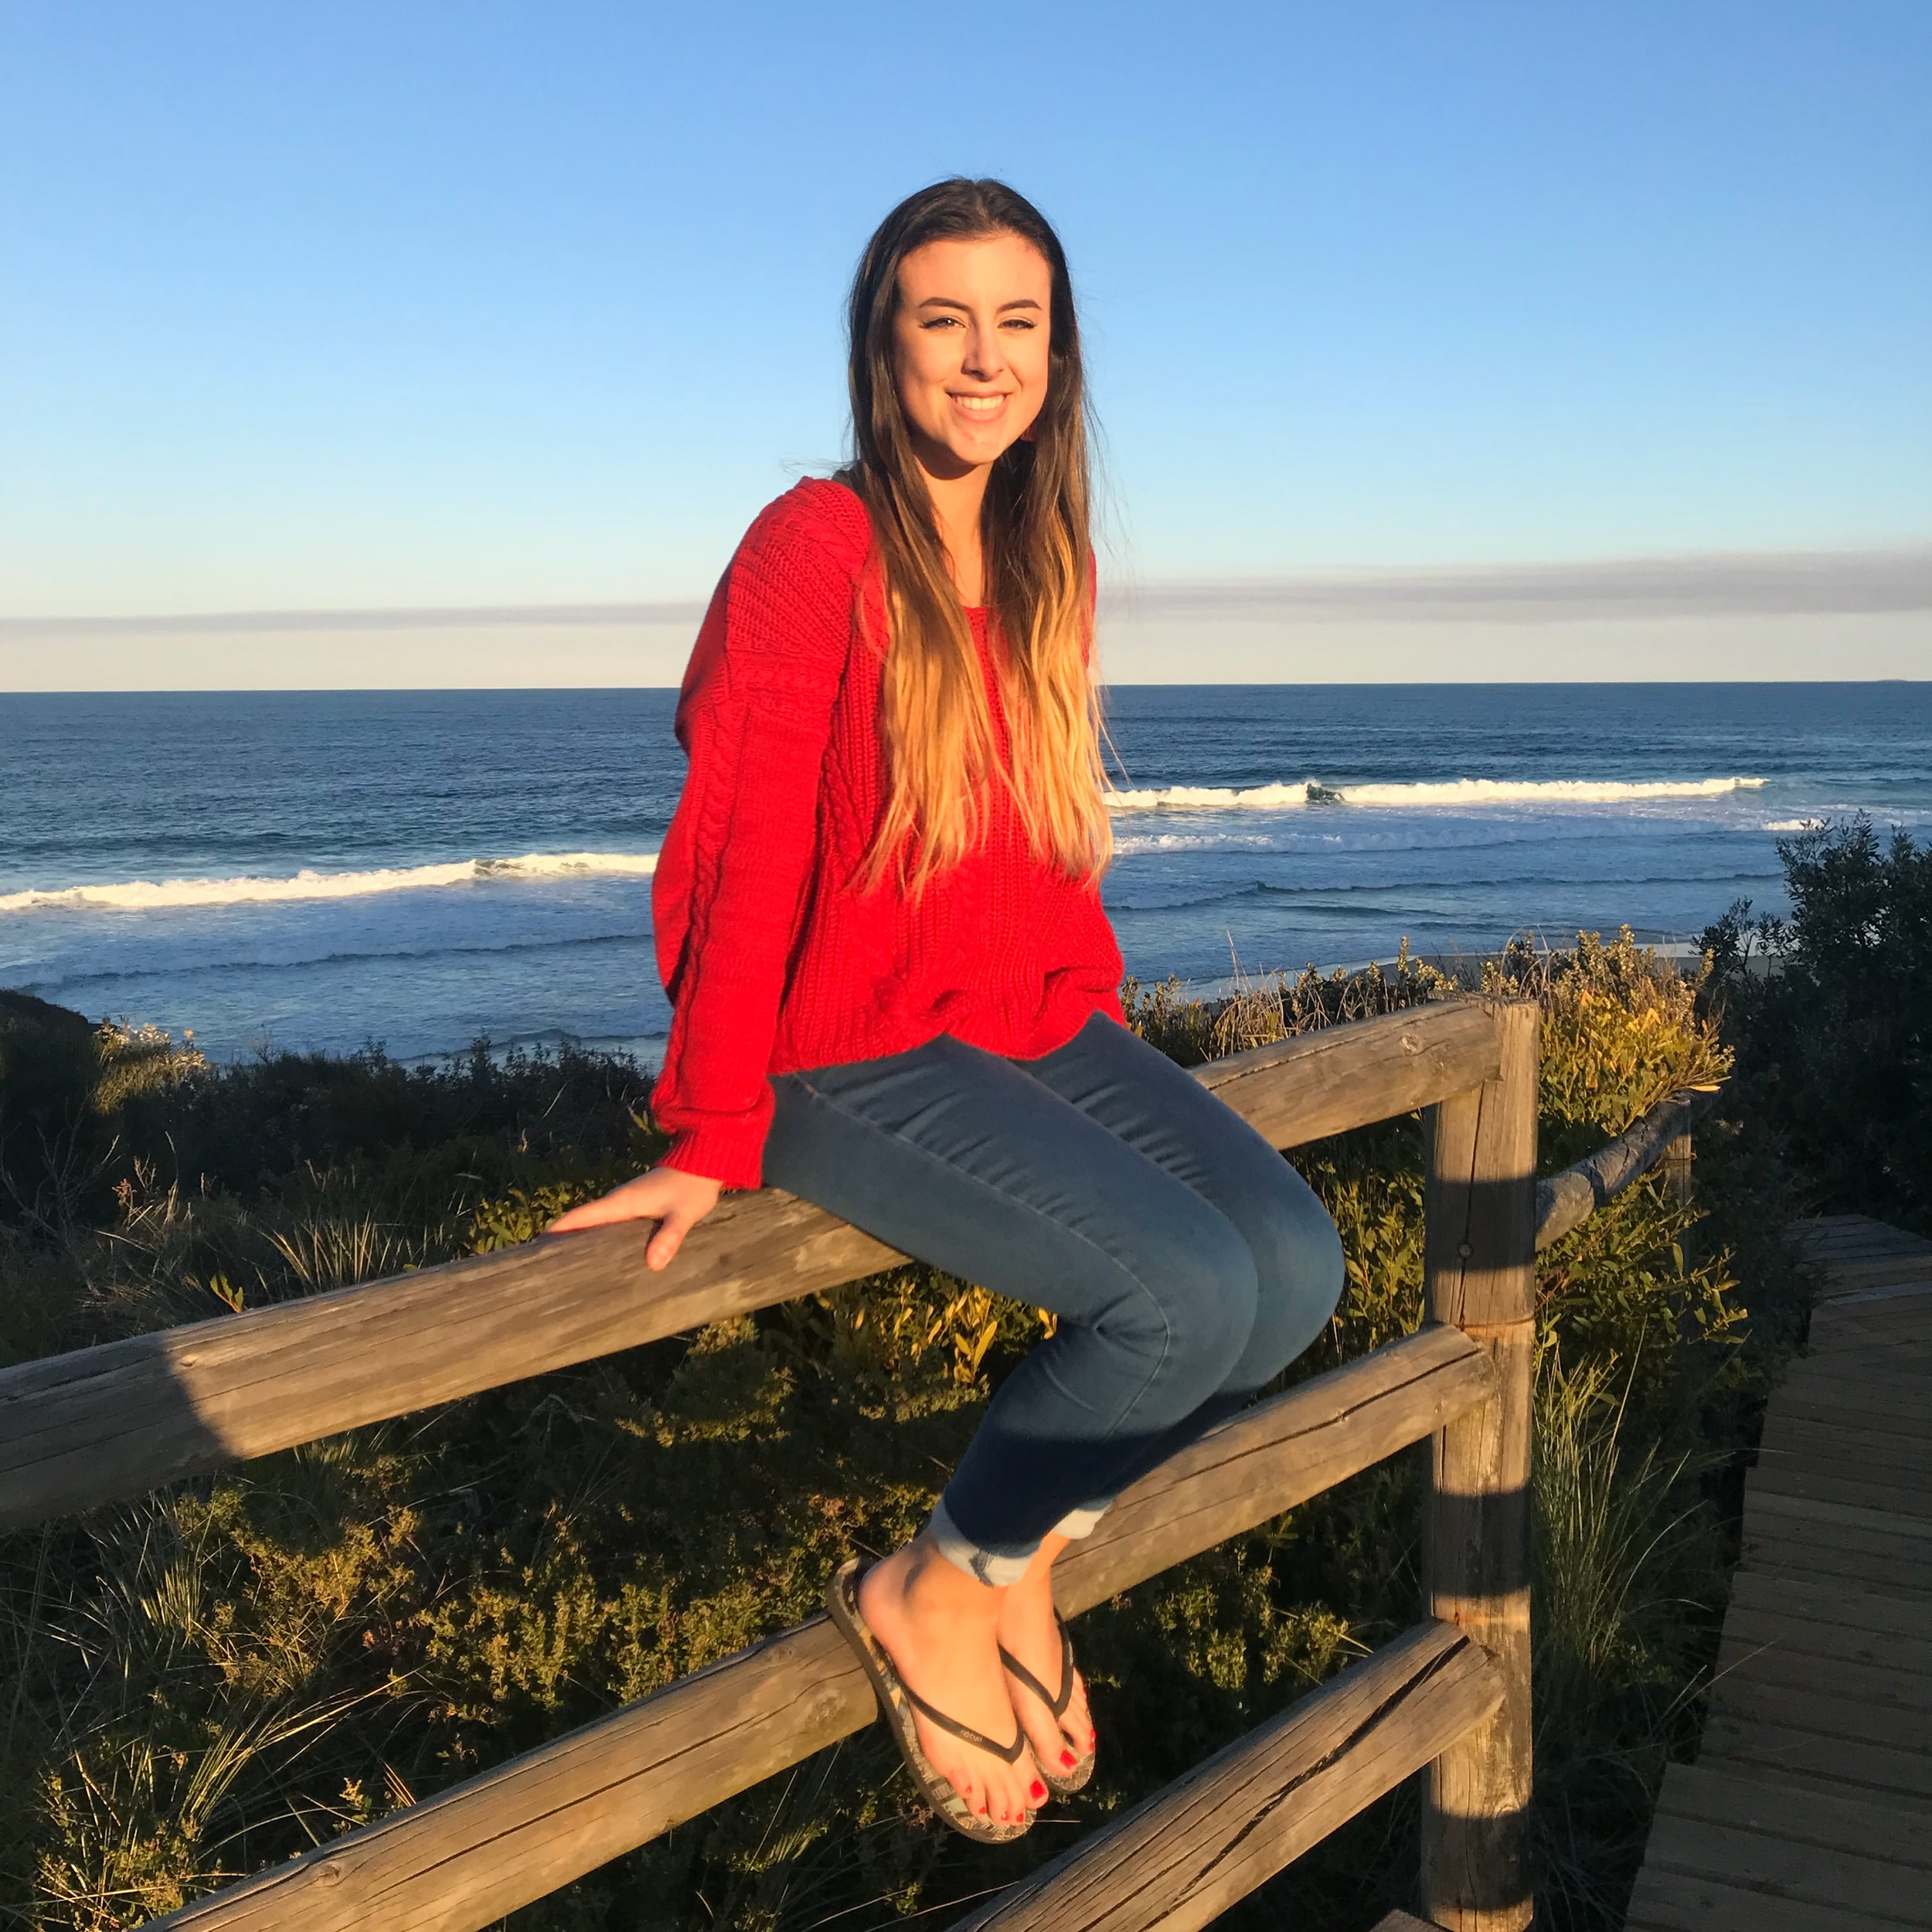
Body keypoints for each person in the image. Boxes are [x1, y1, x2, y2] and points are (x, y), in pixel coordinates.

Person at [549, 178, 1344, 1842]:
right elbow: (745, 840)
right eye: (942, 320)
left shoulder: (1050, 550)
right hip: (840, 1046)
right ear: (881, 344)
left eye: (1017, 324)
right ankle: (932, 1585)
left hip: (1019, 1015)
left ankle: (1015, 1565)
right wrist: (710, 1127)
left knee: (1290, 1270)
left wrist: (1091, 1019)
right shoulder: (812, 544)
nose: (980, 361)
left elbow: (1032, 826)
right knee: (1178, 1287)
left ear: (1056, 355)